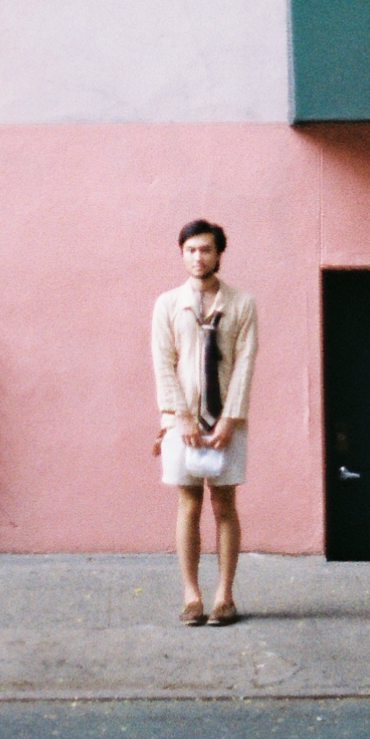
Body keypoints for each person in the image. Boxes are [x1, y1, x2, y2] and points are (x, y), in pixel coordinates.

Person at [151, 217, 258, 627]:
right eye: (191, 250)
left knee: (225, 504)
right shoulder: (167, 304)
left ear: (219, 253)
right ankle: (192, 595)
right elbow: (164, 363)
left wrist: (229, 419)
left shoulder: (241, 304)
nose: (198, 257)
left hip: (228, 420)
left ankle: (224, 596)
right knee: (189, 503)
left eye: (206, 249)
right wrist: (181, 417)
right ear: (182, 254)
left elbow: (245, 363)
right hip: (182, 422)